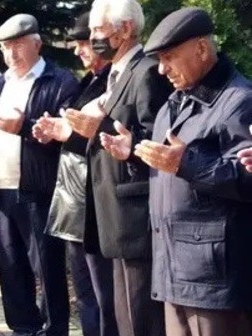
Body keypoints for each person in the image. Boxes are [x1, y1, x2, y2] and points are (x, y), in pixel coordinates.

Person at [102, 7, 252, 336]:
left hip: (214, 281)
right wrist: (137, 153)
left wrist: (185, 164)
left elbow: (246, 180)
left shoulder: (239, 102)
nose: (162, 68)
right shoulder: (175, 102)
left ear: (201, 49)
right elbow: (171, 167)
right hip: (172, 270)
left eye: (169, 57)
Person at [0, 13, 78, 336]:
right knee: (11, 267)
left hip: (39, 190)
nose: (12, 53)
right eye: (5, 47)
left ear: (37, 44)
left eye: (18, 45)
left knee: (47, 269)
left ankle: (54, 330)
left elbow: (69, 135)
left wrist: (24, 128)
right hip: (0, 189)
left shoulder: (59, 81)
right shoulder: (0, 82)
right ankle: (23, 328)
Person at [61, 1, 173, 335]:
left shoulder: (148, 71)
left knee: (141, 320)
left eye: (98, 30)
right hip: (111, 217)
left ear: (125, 29)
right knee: (122, 317)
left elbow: (158, 139)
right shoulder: (116, 72)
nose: (92, 38)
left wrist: (100, 129)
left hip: (136, 220)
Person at [32, 12, 118, 336]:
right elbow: (75, 132)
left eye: (85, 43)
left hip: (95, 201)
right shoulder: (88, 81)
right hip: (74, 199)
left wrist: (65, 131)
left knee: (101, 291)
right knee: (84, 290)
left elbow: (102, 134)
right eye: (77, 44)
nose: (79, 51)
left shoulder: (113, 81)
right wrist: (54, 130)